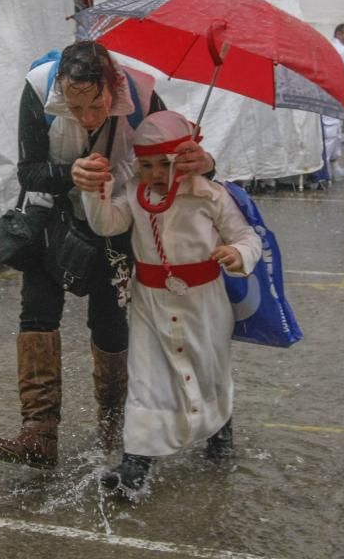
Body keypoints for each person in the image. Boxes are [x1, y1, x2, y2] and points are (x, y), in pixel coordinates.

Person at [0, 41, 215, 470]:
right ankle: (39, 433)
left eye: (97, 106)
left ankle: (113, 427)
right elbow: (28, 170)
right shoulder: (38, 88)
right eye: (75, 108)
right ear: (61, 89)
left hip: (116, 218)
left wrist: (203, 161)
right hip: (50, 214)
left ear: (113, 86)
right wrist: (68, 172)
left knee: (109, 322)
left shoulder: (143, 97)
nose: (88, 118)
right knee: (37, 310)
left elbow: (171, 160)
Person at [82, 110, 261, 499]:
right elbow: (107, 224)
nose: (156, 174)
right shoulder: (134, 193)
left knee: (209, 370)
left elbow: (247, 235)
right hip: (149, 301)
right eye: (145, 165)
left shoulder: (210, 194)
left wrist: (237, 252)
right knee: (147, 378)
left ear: (184, 159)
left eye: (165, 164)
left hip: (205, 303)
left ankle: (219, 427)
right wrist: (96, 193)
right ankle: (137, 464)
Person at [323, 23, 344, 178]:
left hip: (324, 94)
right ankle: (324, 170)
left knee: (333, 134)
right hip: (336, 95)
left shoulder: (324, 46)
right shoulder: (343, 51)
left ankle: (333, 166)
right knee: (333, 133)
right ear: (338, 34)